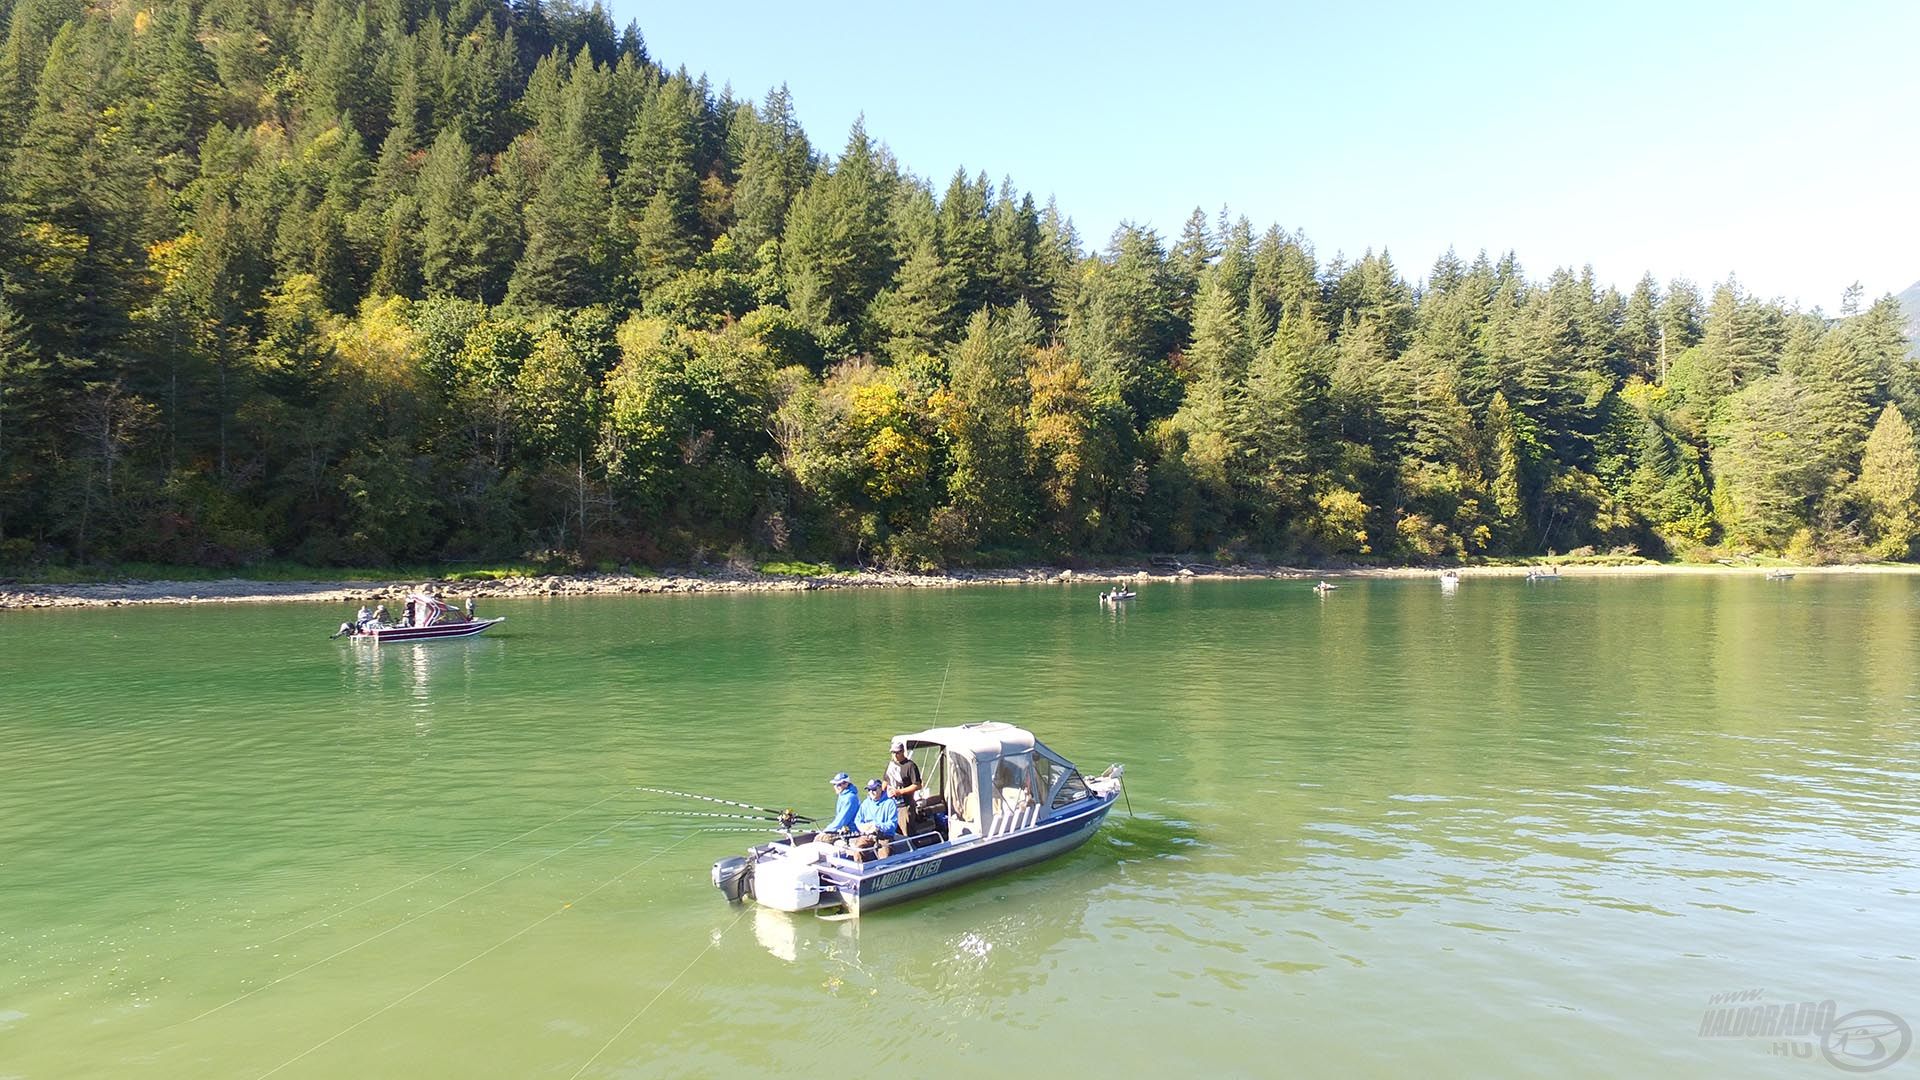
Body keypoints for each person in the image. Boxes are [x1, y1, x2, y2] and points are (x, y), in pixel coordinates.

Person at [885, 738, 923, 836]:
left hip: (905, 805)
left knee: (906, 831)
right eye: (893, 753)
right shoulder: (891, 764)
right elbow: (885, 780)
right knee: (892, 831)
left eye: (897, 752)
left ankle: (912, 848)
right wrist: (880, 793)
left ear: (903, 752)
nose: (895, 755)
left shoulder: (910, 766)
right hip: (891, 804)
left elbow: (917, 785)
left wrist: (900, 792)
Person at [851, 778, 899, 857]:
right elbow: (858, 820)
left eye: (873, 789)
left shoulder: (890, 803)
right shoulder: (866, 803)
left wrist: (877, 826)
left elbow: (892, 824)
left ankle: (884, 868)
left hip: (884, 836)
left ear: (880, 788)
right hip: (868, 835)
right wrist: (863, 827)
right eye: (869, 790)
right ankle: (860, 867)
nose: (871, 792)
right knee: (858, 850)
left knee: (884, 854)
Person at [819, 773, 859, 839]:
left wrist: (826, 830)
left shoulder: (850, 798)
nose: (835, 787)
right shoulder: (842, 795)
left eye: (838, 785)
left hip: (851, 831)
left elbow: (842, 820)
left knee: (820, 839)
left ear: (846, 784)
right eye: (834, 784)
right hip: (842, 829)